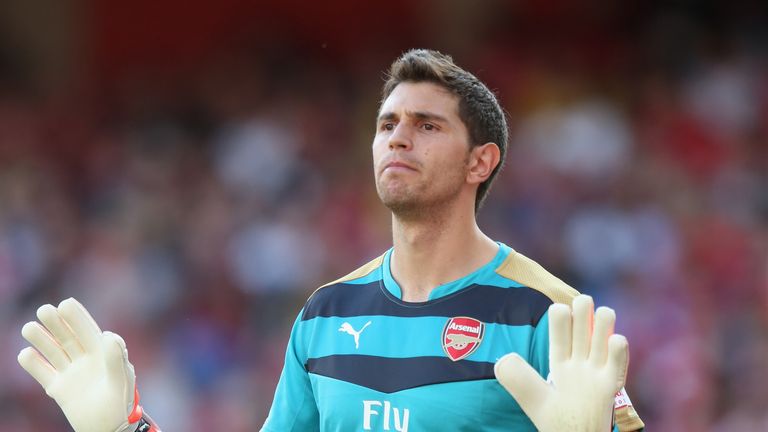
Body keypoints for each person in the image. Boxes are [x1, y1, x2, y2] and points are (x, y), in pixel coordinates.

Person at [18, 49, 645, 432]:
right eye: (387, 124)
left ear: (480, 163)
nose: (398, 138)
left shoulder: (553, 313)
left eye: (427, 125)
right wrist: (127, 431)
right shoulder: (326, 314)